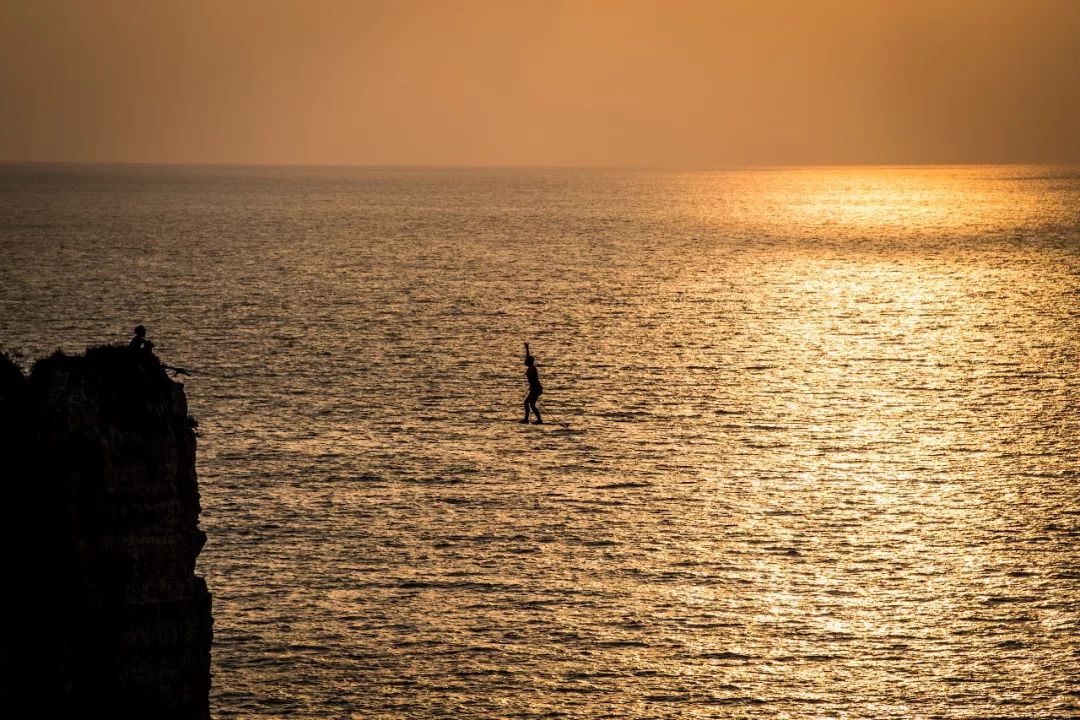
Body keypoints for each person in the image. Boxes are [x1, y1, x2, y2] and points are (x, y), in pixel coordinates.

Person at [522, 342, 543, 424]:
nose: (524, 362)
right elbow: (528, 357)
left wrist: (528, 373)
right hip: (534, 389)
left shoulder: (532, 369)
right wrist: (527, 349)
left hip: (536, 389)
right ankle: (529, 419)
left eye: (525, 361)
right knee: (530, 404)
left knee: (529, 403)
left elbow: (531, 375)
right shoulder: (531, 366)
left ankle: (533, 420)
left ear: (529, 362)